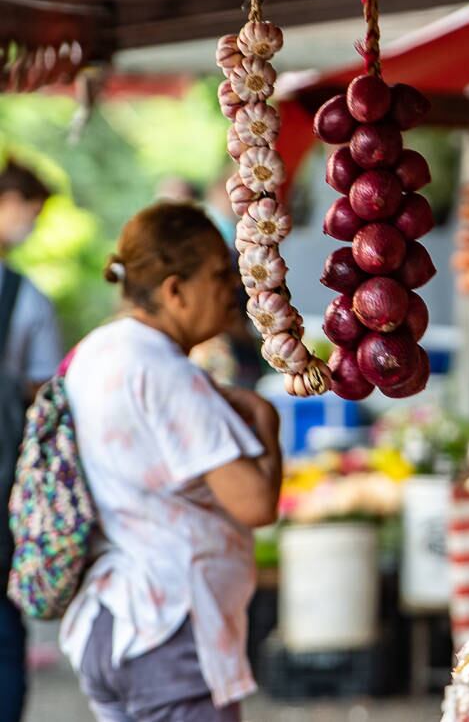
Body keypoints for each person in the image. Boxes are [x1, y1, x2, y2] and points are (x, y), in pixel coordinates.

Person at [59, 202, 282, 721]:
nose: (233, 290)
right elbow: (254, 503)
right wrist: (266, 425)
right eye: (218, 275)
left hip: (112, 623)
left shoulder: (93, 352)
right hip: (168, 629)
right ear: (173, 290)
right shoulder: (164, 370)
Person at [0, 161, 61, 722]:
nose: (32, 225)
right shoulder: (25, 298)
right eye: (32, 212)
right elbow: (44, 402)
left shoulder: (27, 297)